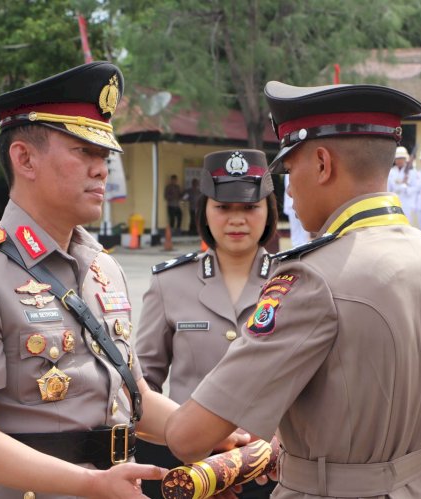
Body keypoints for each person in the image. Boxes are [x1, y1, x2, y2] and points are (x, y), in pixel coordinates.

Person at [165, 81, 421, 498]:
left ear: (322, 163)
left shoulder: (311, 279)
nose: (289, 189)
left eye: (290, 170)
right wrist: (389, 465)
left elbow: (189, 436)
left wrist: (311, 461)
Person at [0, 62, 240, 499]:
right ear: (24, 158)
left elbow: (135, 398)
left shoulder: (103, 267)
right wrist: (90, 484)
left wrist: (212, 437)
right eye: (82, 151)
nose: (101, 169)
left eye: (104, 155)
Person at [135, 149, 278, 499]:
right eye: (223, 207)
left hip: (273, 466)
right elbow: (142, 386)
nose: (237, 220)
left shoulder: (296, 279)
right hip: (191, 469)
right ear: (205, 211)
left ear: (269, 211)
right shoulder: (170, 282)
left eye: (249, 207)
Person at [387, 145, 418, 221]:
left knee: (407, 225)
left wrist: (406, 186)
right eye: (397, 158)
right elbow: (388, 188)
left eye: (401, 158)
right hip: (394, 202)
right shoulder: (391, 172)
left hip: (407, 203)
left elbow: (416, 188)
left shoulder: (412, 172)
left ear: (405, 159)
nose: (399, 160)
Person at [283, 175, 311, 247]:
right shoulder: (288, 172)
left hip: (302, 202)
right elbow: (288, 188)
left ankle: (304, 249)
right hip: (292, 203)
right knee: (295, 232)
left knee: (304, 232)